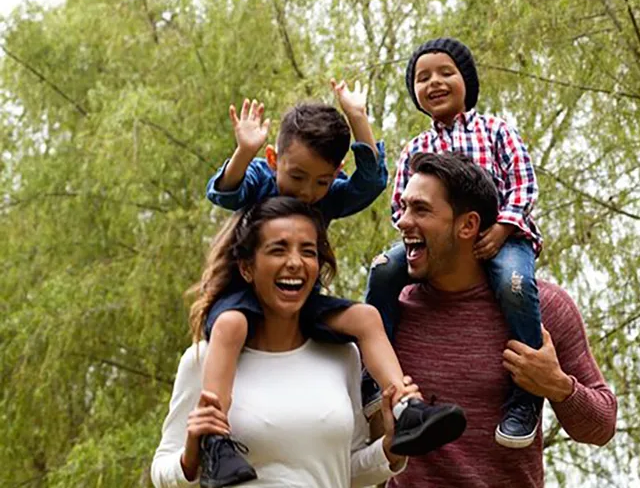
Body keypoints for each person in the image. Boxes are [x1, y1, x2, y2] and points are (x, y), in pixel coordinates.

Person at [198, 82, 464, 486]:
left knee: (366, 317)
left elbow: (370, 183)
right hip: (241, 299)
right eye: (298, 177)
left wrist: (358, 119)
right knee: (231, 325)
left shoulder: (326, 197)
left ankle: (407, 406)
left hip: (302, 304)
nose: (306, 193)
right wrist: (245, 151)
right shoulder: (262, 178)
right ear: (274, 160)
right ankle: (215, 441)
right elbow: (224, 192)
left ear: (334, 175)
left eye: (321, 182)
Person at [383, 152, 618, 487]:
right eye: (404, 208)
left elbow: (602, 426)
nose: (403, 221)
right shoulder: (393, 312)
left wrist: (557, 385)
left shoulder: (545, 308)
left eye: (420, 209)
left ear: (468, 225)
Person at [151, 197, 420, 487]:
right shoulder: (205, 359)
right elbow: (161, 472)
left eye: (308, 251)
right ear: (246, 268)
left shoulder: (343, 356)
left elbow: (345, 469)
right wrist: (190, 458)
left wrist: (389, 451)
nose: (295, 263)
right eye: (278, 250)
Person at [363, 38, 546, 448]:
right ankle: (373, 372)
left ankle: (526, 392)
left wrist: (501, 227)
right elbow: (400, 207)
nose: (434, 83)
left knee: (515, 284)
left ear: (468, 81)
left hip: (503, 237)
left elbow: (523, 186)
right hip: (436, 242)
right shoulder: (416, 148)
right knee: (383, 269)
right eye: (422, 78)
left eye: (446, 73)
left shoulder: (496, 131)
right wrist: (415, 232)